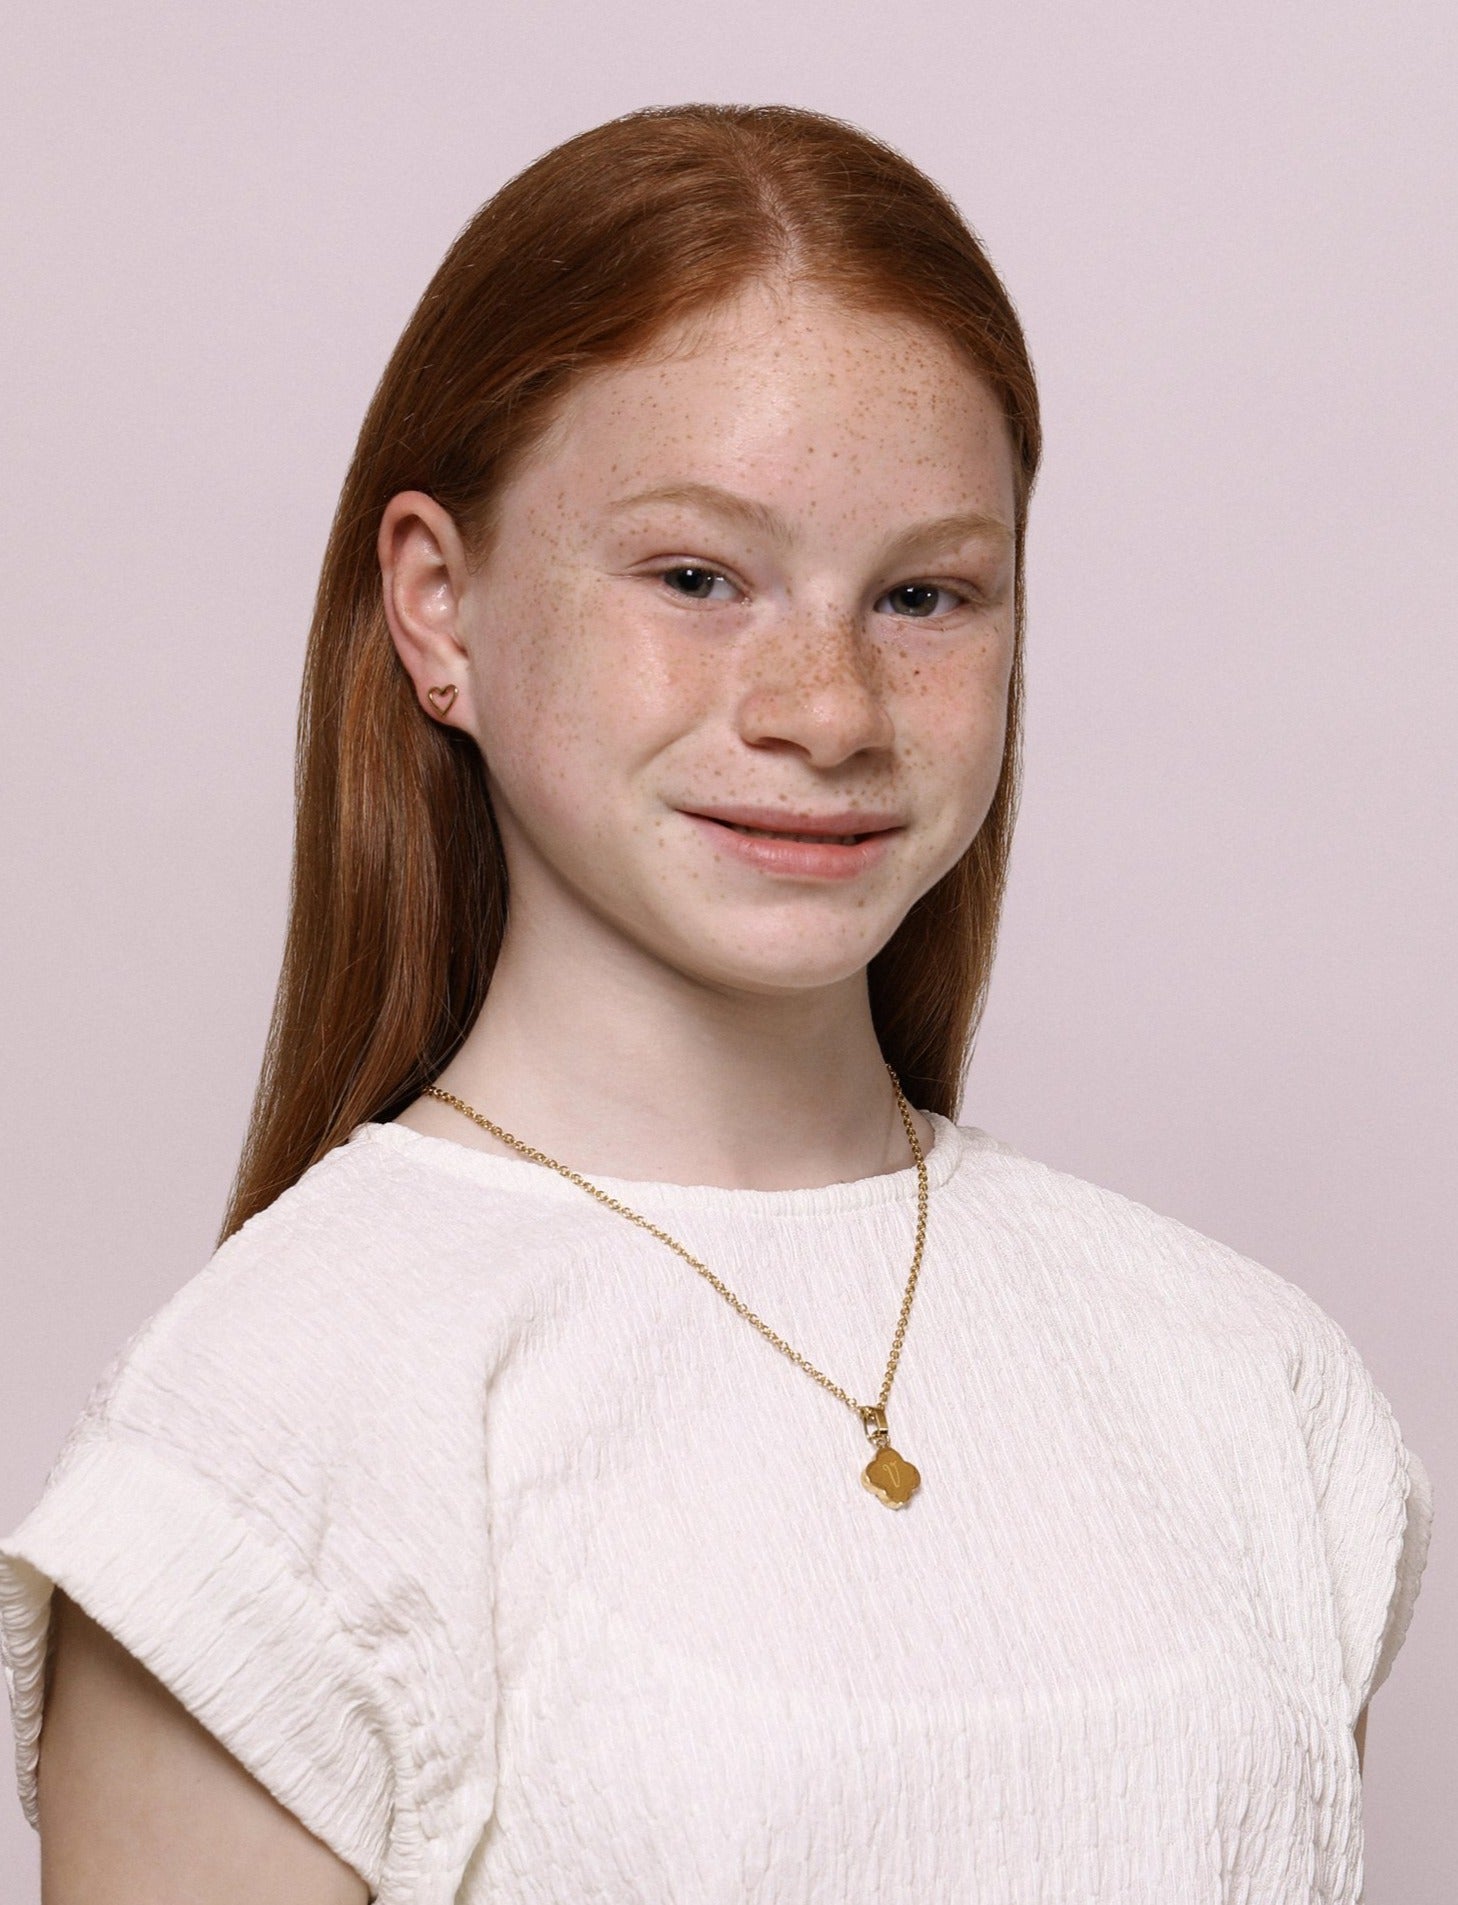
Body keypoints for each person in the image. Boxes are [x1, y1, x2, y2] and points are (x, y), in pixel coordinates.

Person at [0, 103, 1431, 1905]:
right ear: (437, 607)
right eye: (695, 576)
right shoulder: (267, 1450)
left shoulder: (1244, 1383)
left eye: (924, 594)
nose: (826, 708)